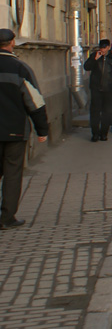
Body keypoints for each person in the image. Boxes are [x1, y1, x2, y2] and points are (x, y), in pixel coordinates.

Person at [0, 28, 48, 230]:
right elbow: (34, 102)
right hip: (15, 130)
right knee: (12, 173)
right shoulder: (20, 69)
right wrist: (42, 130)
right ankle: (6, 218)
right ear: (12, 43)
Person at [83, 39, 112, 142]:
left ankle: (104, 133)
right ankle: (95, 134)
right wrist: (95, 59)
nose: (102, 50)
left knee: (107, 112)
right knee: (95, 112)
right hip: (96, 88)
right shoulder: (94, 56)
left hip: (108, 88)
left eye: (105, 48)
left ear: (109, 47)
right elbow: (86, 67)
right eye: (101, 48)